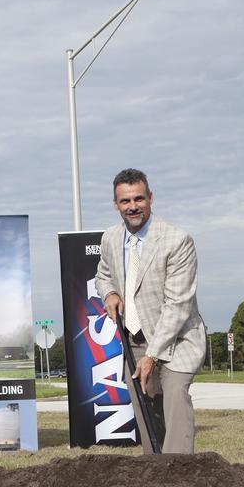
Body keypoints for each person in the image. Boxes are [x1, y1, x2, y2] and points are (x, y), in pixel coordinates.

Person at [94, 168, 206, 454]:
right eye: (125, 201)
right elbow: (103, 275)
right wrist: (110, 293)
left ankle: (179, 471)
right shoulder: (110, 238)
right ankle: (156, 472)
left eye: (139, 199)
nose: (133, 206)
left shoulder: (177, 240)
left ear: (151, 198)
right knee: (148, 413)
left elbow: (178, 305)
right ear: (116, 204)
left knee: (175, 396)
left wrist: (153, 356)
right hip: (134, 341)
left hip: (177, 340)